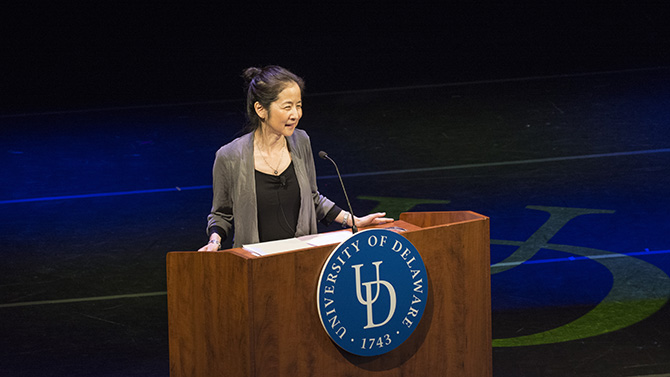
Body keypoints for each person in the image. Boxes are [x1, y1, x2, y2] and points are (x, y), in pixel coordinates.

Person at [199, 65, 393, 251]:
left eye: (298, 106)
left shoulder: (300, 141)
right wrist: (215, 241)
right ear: (260, 110)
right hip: (255, 263)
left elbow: (312, 198)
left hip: (301, 259)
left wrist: (353, 221)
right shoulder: (230, 156)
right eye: (287, 107)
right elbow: (221, 213)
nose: (296, 114)